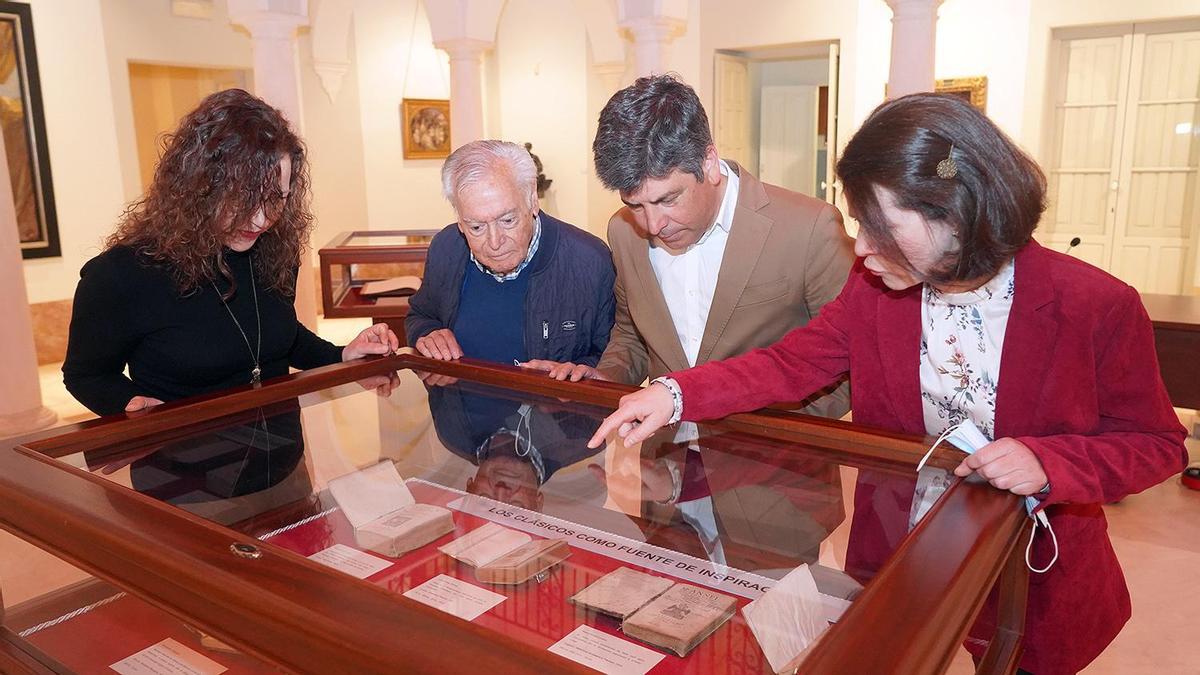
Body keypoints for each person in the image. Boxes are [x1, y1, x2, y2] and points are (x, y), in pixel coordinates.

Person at [589, 93, 1188, 675]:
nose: (863, 247)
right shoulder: (876, 289)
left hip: (1030, 568)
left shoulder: (1094, 304)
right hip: (903, 550)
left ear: (953, 213)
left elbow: (1157, 443)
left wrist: (1049, 461)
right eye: (858, 224)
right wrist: (675, 394)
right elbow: (790, 363)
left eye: (879, 227)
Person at [528, 74, 853, 420]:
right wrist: (606, 377)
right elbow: (632, 333)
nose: (652, 225)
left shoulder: (809, 228)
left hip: (772, 465)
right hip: (664, 460)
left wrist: (760, 426)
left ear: (708, 163)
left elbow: (848, 363)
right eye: (635, 204)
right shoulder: (623, 232)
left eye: (667, 199)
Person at [63, 89, 397, 417]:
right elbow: (87, 374)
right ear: (196, 188)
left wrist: (342, 355)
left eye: (275, 198)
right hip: (182, 464)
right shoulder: (121, 274)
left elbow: (279, 336)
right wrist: (128, 402)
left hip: (281, 459)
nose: (260, 219)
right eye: (242, 197)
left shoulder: (274, 248)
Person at [406, 140, 615, 367]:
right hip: (458, 401)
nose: (495, 242)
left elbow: (615, 355)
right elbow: (420, 314)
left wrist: (573, 376)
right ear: (459, 220)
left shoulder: (590, 261)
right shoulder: (446, 248)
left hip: (558, 403)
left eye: (507, 220)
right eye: (476, 227)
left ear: (532, 200)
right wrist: (427, 333)